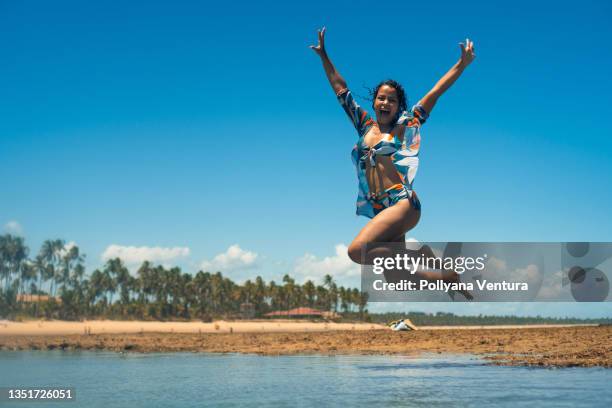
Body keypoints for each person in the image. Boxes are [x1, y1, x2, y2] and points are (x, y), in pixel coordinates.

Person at [310, 28, 475, 299]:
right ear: (374, 102)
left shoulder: (405, 126)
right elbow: (341, 89)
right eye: (381, 98)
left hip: (402, 203)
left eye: (392, 99)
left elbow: (436, 92)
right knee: (397, 277)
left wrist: (461, 64)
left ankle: (418, 253)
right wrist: (324, 56)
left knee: (356, 251)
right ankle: (447, 277)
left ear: (399, 106)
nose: (385, 102)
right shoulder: (364, 126)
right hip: (381, 209)